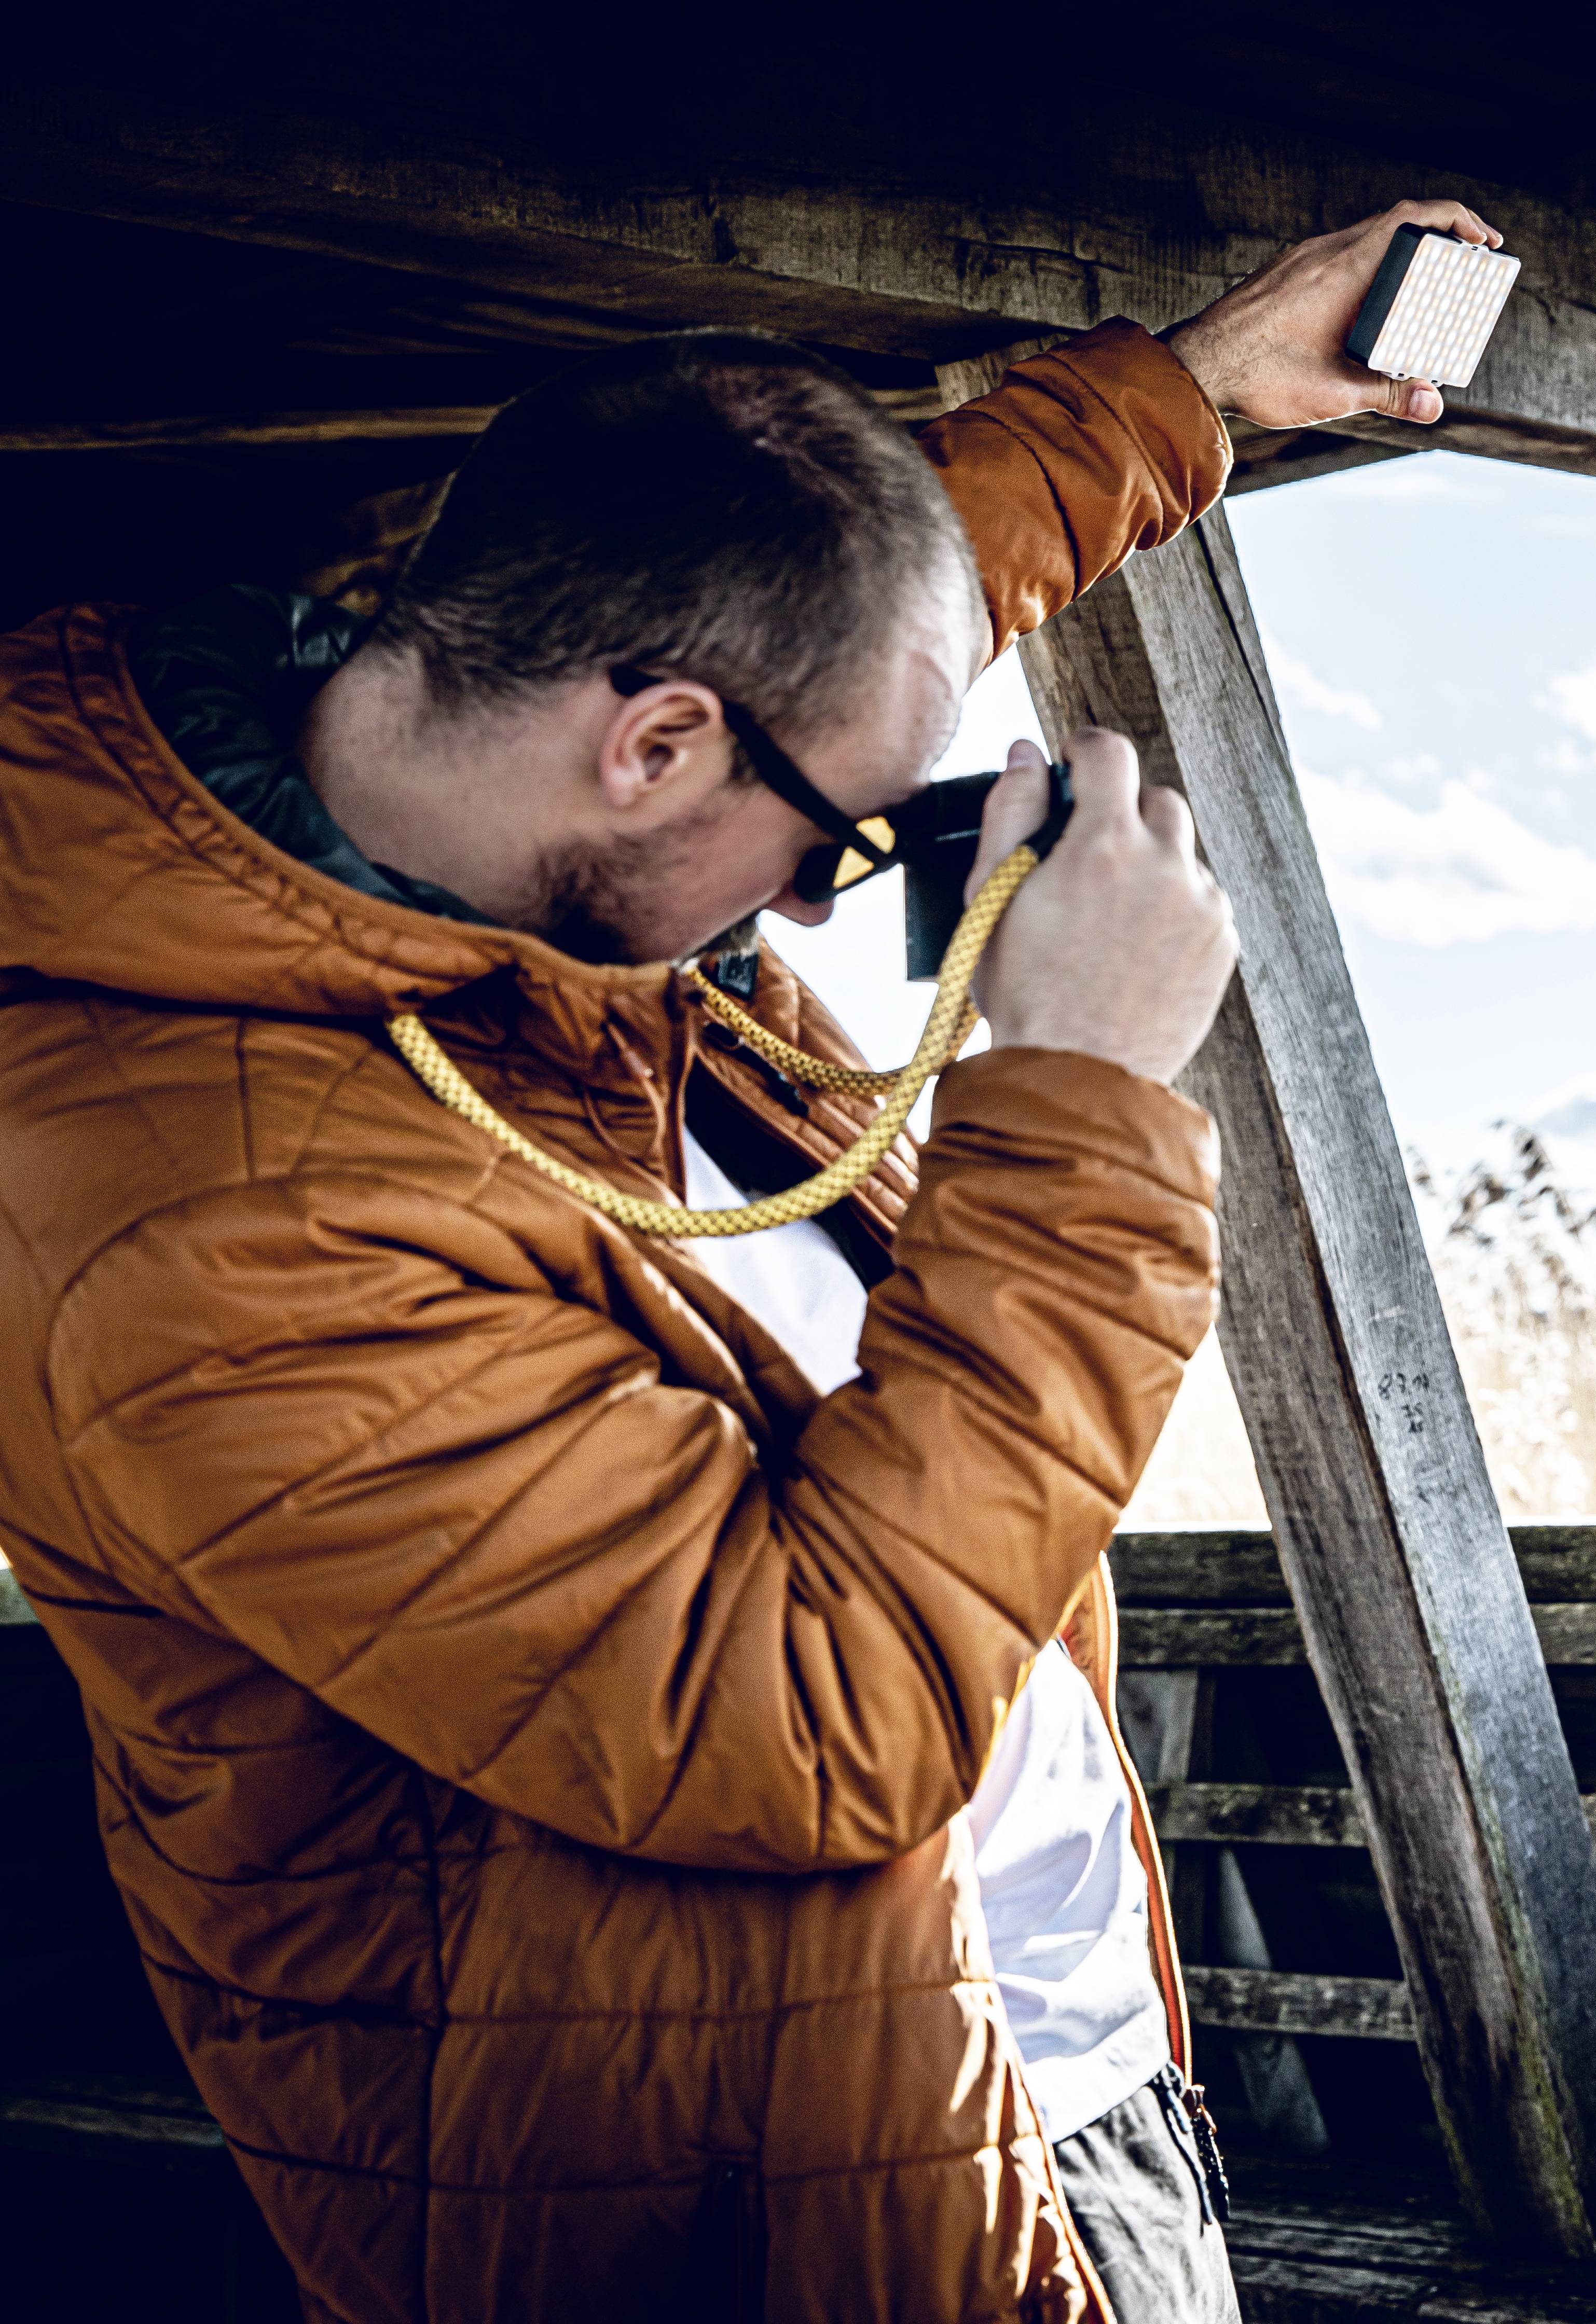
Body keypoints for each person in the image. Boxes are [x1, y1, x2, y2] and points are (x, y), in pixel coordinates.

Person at [0, 197, 1502, 2320]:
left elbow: (846, 584)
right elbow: (806, 1724)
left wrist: (1189, 395)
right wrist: (1074, 1095)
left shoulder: (526, 820)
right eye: (844, 832)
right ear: (656, 746)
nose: (821, 910)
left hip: (1037, 2058)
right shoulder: (190, 1229)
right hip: (747, 2186)